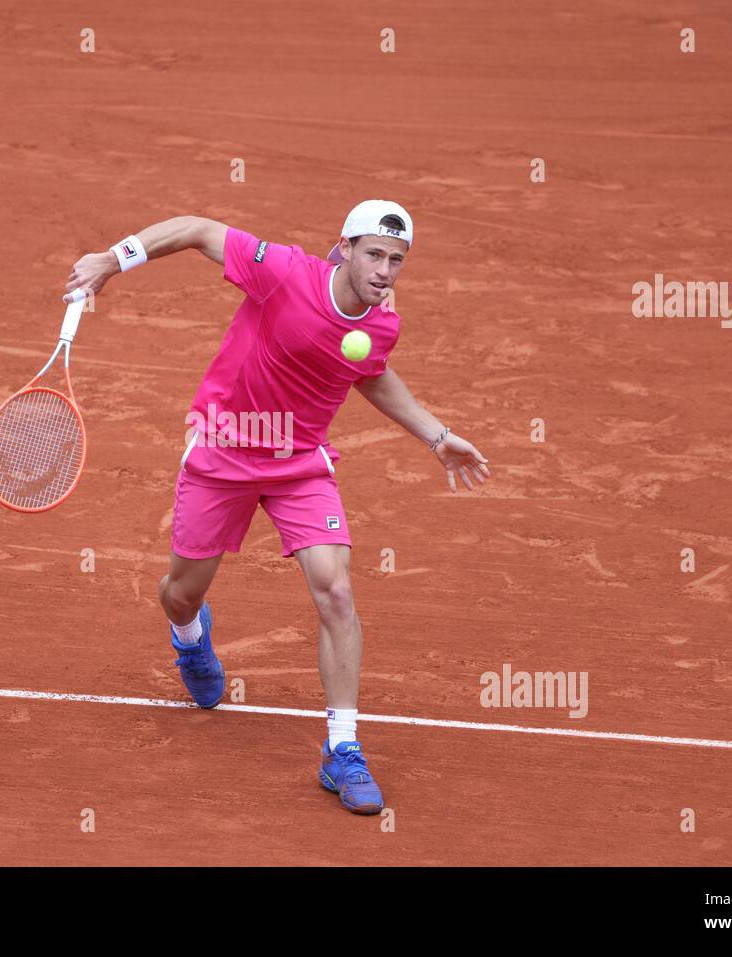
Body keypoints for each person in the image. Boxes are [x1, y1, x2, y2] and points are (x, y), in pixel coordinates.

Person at [64, 201, 490, 814]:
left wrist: (435, 433)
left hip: (298, 465)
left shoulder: (382, 322)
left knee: (336, 590)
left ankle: (342, 750)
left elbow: (369, 372)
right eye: (374, 253)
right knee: (181, 592)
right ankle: (190, 638)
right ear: (342, 247)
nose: (385, 270)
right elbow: (197, 230)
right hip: (222, 452)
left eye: (396, 260)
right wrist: (113, 258)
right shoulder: (283, 271)